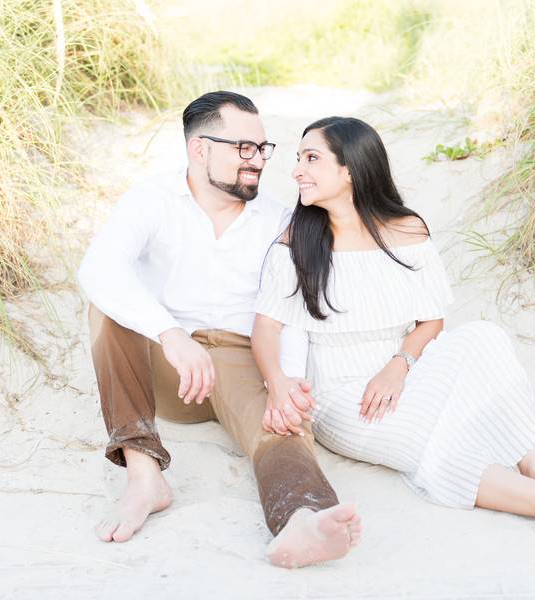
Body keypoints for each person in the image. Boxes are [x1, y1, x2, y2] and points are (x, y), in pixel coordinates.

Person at [251, 116, 535, 539]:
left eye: (311, 158)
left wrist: (398, 365)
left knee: (485, 337)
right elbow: (266, 328)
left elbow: (431, 321)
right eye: (298, 158)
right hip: (342, 396)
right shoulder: (297, 241)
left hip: (403, 368)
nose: (297, 170)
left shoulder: (406, 230)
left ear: (350, 169)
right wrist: (277, 383)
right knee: (434, 438)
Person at [77, 92, 361, 567]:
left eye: (263, 149)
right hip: (169, 367)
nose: (258, 162)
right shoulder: (152, 198)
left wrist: (282, 380)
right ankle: (144, 476)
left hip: (244, 357)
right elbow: (98, 269)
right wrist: (170, 334)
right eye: (243, 149)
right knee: (107, 309)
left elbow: (291, 307)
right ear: (200, 149)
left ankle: (302, 517)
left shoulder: (278, 220)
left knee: (282, 422)